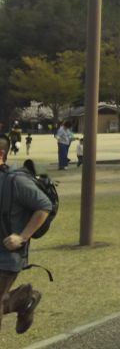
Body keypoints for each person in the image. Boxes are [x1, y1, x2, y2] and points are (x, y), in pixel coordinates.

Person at [0, 134, 52, 334]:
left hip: (7, 256)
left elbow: (44, 206)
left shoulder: (17, 181)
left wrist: (22, 237)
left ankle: (24, 299)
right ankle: (24, 299)